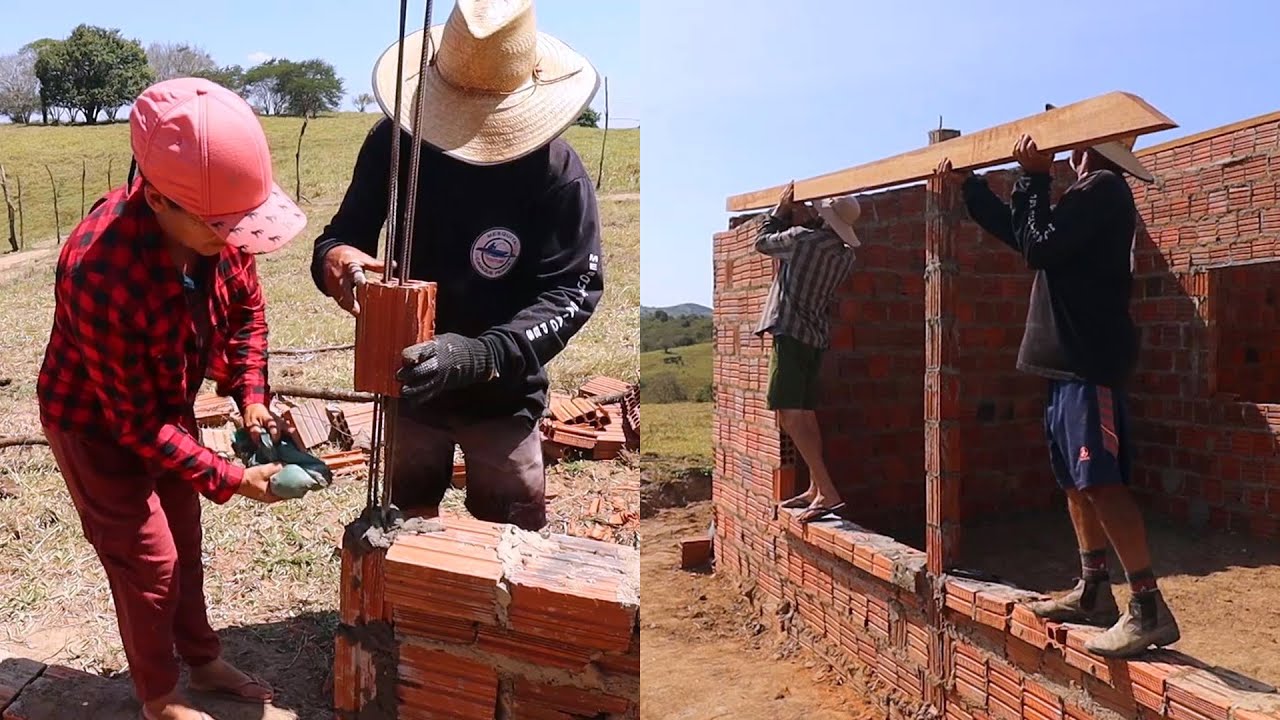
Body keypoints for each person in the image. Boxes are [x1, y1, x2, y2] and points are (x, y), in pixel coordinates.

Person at [36, 77, 308, 720]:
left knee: (184, 539)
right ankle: (159, 697)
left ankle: (204, 660)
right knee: (148, 560)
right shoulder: (98, 270)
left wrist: (250, 394)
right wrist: (236, 478)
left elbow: (246, 317)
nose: (236, 240)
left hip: (163, 406)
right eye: (222, 228)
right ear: (158, 199)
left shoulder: (218, 229)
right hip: (96, 425)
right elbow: (133, 424)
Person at [312, 0, 603, 532]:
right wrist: (339, 261)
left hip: (504, 391)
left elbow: (570, 293)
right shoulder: (395, 142)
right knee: (403, 519)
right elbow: (342, 236)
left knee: (511, 529)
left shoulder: (556, 171)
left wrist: (479, 354)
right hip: (408, 381)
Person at [936, 130, 1180, 658]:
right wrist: (973, 188)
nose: (1066, 150)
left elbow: (1038, 248)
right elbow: (1025, 235)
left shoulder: (1104, 189)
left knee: (1100, 480)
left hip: (1090, 361)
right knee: (1076, 481)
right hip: (1065, 364)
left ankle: (1148, 607)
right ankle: (1094, 589)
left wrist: (1034, 176)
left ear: (1088, 147)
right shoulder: (1082, 194)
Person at [754, 180, 860, 524]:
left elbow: (763, 242)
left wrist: (782, 212)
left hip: (790, 333)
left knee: (788, 414)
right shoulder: (846, 257)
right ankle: (815, 489)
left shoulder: (803, 240)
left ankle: (828, 492)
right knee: (806, 414)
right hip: (815, 337)